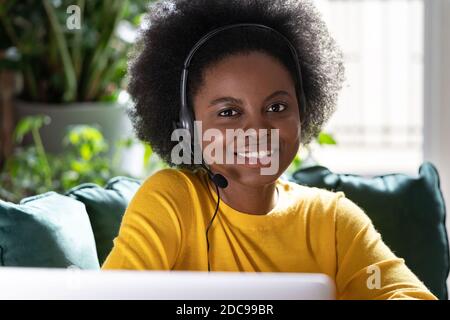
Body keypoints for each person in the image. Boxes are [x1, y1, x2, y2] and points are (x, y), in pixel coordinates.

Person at [102, 0, 437, 300]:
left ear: (302, 110)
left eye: (277, 107)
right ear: (188, 125)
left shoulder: (331, 220)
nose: (258, 131)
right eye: (229, 113)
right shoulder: (172, 202)